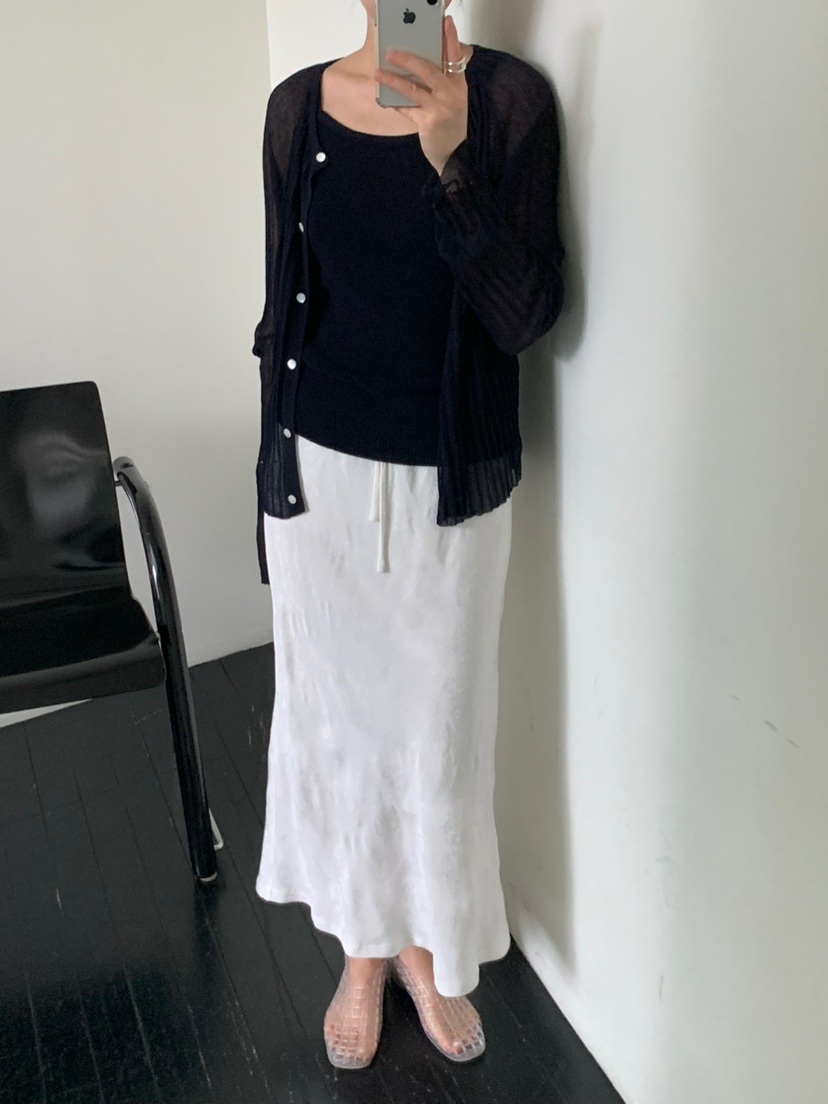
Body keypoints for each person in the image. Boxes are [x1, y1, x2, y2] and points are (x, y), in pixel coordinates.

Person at [252, 0, 565, 1071]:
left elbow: (525, 315)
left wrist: (452, 164)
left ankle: (427, 949)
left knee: (437, 735)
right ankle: (362, 952)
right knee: (337, 727)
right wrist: (271, 475)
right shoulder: (296, 108)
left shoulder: (511, 103)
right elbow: (282, 310)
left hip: (447, 479)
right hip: (320, 473)